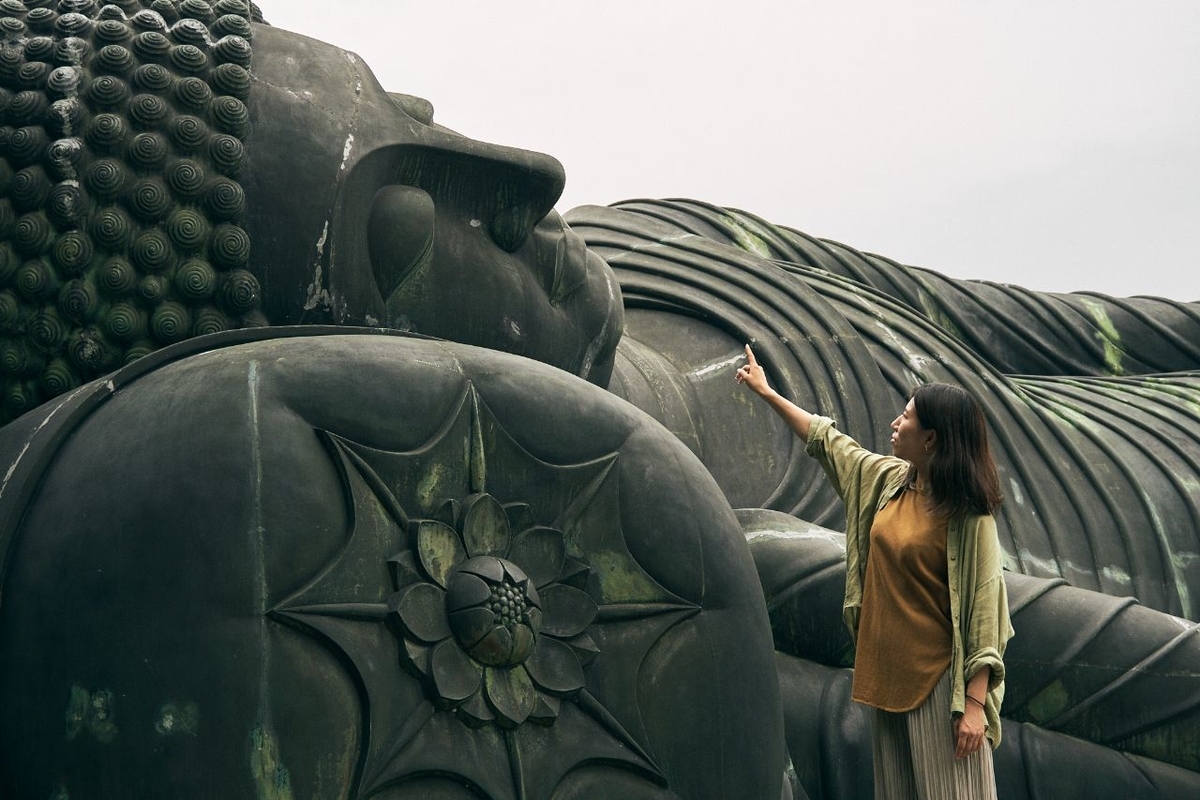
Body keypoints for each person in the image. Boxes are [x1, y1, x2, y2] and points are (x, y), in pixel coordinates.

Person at [736, 343, 1013, 799]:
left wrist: (975, 706)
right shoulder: (888, 481)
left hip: (940, 688)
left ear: (931, 439)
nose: (895, 423)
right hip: (888, 678)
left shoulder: (967, 517)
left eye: (906, 418)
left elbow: (986, 611)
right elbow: (827, 441)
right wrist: (767, 392)